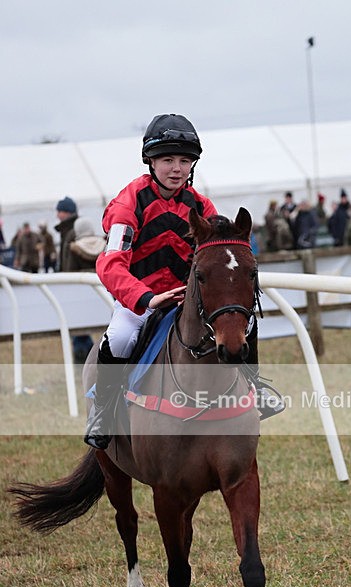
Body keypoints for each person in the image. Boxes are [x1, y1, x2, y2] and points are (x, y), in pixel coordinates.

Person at [85, 114, 283, 449]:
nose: (177, 168)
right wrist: (147, 298)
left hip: (190, 301)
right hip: (142, 299)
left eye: (185, 160)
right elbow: (110, 264)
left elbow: (218, 260)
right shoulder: (127, 204)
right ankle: (102, 411)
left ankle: (254, 387)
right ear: (150, 161)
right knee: (119, 336)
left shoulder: (202, 206)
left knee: (244, 326)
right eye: (167, 160)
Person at [54, 196, 78, 271]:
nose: (57, 215)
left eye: (59, 212)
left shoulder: (73, 230)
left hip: (72, 275)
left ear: (68, 212)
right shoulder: (65, 229)